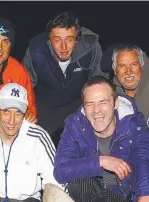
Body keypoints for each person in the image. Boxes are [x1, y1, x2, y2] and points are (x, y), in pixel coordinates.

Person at [54, 75, 149, 202]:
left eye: (103, 102)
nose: (96, 111)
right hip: (91, 191)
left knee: (112, 186)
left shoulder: (134, 124)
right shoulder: (74, 125)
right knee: (79, 182)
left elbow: (144, 160)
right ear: (84, 106)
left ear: (115, 103)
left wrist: (145, 198)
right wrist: (101, 161)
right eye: (90, 104)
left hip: (122, 192)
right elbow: (61, 171)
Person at [22, 12, 106, 145]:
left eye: (69, 39)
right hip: (45, 105)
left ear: (77, 38)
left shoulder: (91, 48)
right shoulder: (35, 51)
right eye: (57, 40)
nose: (64, 47)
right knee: (29, 140)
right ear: (49, 38)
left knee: (89, 141)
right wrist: (26, 110)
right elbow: (24, 86)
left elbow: (100, 83)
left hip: (78, 103)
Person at [102, 44, 149, 121]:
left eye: (134, 64)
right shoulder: (109, 93)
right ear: (115, 70)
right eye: (122, 66)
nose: (129, 72)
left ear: (141, 65)